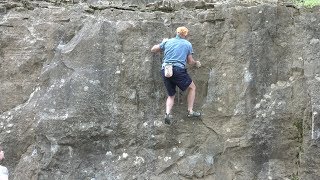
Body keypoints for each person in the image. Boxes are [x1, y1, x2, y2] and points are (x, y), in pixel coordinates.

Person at [151, 26, 202, 125]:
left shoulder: (168, 42)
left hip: (166, 70)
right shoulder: (187, 44)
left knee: (171, 95)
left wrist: (163, 42)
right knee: (192, 87)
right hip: (178, 69)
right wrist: (196, 63)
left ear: (177, 32)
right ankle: (190, 111)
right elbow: (190, 61)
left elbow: (153, 49)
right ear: (185, 34)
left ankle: (167, 114)